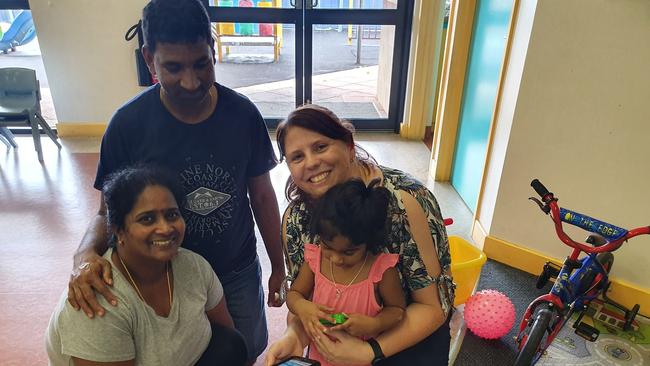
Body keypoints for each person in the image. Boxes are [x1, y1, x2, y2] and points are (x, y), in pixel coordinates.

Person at [66, 0, 284, 363]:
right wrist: (84, 253)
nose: (191, 81)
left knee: (243, 349)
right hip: (163, 279)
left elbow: (262, 196)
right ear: (149, 59)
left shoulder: (243, 114)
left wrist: (278, 265)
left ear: (213, 48)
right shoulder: (127, 126)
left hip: (236, 270)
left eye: (202, 63)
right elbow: (108, 212)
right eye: (173, 67)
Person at [266, 104, 455, 366]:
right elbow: (305, 301)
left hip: (409, 336)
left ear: (349, 145)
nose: (311, 162)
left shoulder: (405, 202)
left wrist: (370, 352)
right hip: (338, 344)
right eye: (297, 157)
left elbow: (433, 307)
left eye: (321, 147)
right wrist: (294, 337)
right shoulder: (296, 219)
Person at [46, 166, 248, 366]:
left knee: (231, 345)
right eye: (147, 219)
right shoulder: (98, 300)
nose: (165, 228)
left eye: (172, 215)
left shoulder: (194, 266)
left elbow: (225, 331)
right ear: (119, 231)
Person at [287, 179, 406, 366]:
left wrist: (375, 324)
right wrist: (303, 307)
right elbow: (294, 294)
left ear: (368, 242)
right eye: (327, 247)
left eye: (348, 252)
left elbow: (398, 311)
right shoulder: (314, 260)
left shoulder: (381, 271)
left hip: (359, 359)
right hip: (319, 356)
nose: (336, 259)